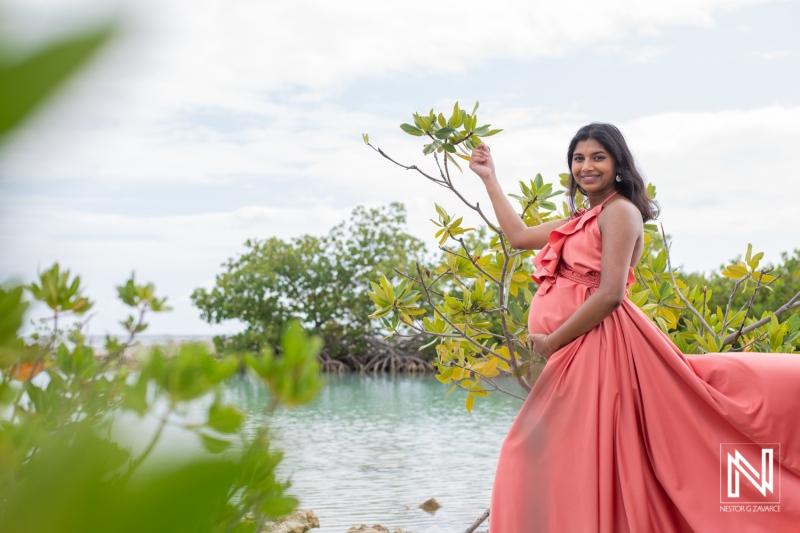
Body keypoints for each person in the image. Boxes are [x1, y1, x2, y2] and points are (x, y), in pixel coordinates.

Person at [468, 122, 800, 532]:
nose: (586, 166)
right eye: (578, 158)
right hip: (579, 348)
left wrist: (552, 341)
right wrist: (489, 178)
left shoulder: (620, 212)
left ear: (619, 166)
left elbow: (610, 295)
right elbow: (518, 236)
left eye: (597, 157)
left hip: (598, 344)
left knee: (536, 449)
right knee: (568, 453)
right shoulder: (584, 218)